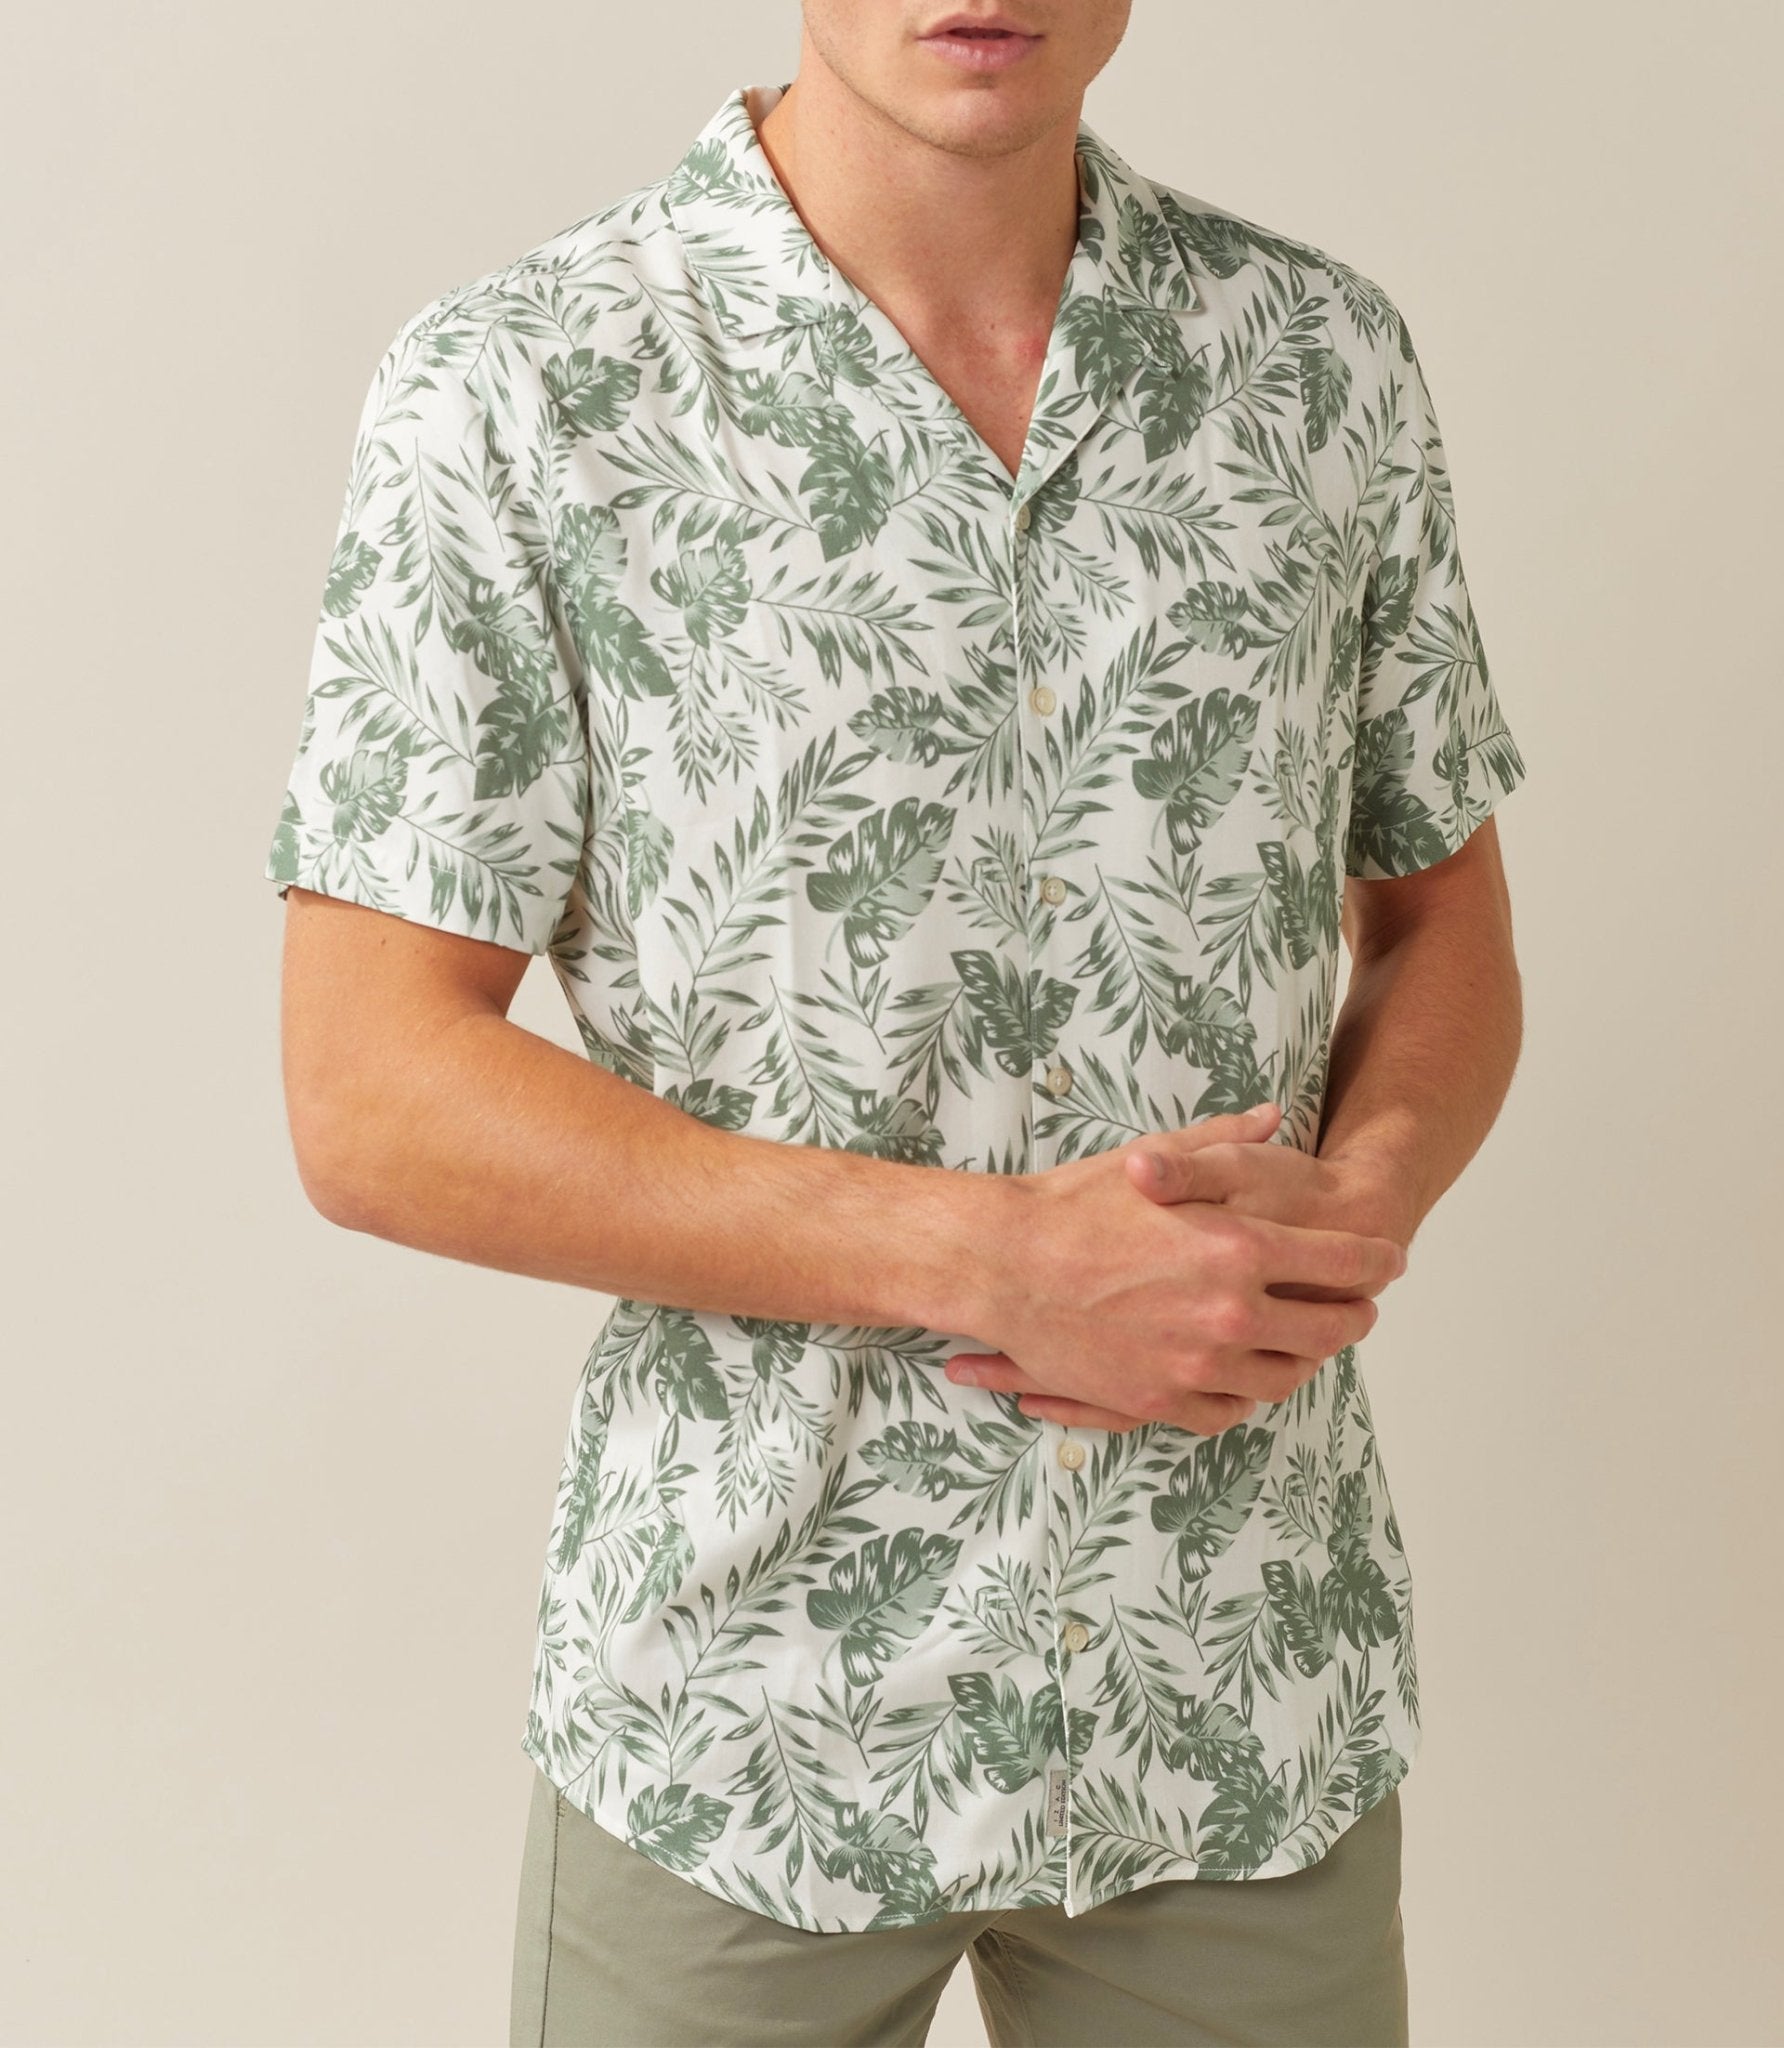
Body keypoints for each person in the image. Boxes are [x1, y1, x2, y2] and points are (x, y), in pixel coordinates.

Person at [264, 4, 1526, 2043]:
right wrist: (996, 1262)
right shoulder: (521, 387)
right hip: (743, 1716)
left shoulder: (1317, 364)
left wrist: (1360, 1199)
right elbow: (370, 1090)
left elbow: (1443, 912)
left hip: (1236, 1681)